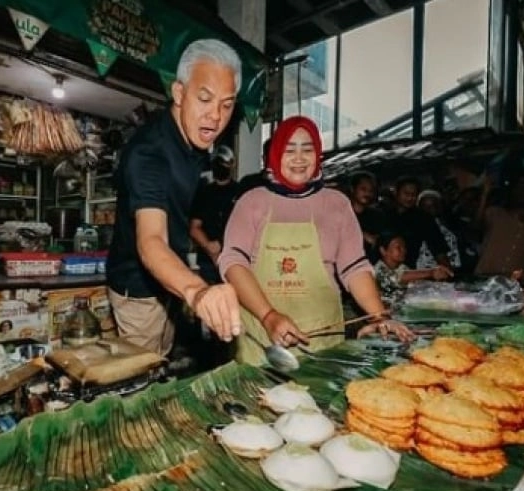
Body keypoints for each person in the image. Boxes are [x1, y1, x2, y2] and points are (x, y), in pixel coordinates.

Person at [217, 115, 415, 365]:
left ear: (318, 155)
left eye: (307, 149)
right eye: (289, 149)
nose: (299, 158)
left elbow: (354, 267)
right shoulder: (252, 202)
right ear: (275, 153)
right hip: (263, 339)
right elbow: (233, 263)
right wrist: (268, 316)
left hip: (322, 339)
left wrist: (379, 316)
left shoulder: (336, 204)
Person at [105, 38, 244, 357]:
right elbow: (151, 240)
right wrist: (197, 292)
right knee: (138, 388)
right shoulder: (149, 152)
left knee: (161, 365)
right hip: (138, 289)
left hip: (171, 279)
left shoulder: (195, 142)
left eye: (227, 104)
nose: (215, 117)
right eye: (205, 99)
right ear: (179, 93)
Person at [189, 144, 240, 283]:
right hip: (207, 263)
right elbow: (194, 227)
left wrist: (221, 244)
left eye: (224, 163)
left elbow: (243, 226)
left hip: (234, 259)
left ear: (232, 165)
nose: (221, 166)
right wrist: (210, 248)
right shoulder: (203, 192)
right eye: (218, 162)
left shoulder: (240, 192)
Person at [385, 177, 453, 270]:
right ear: (396, 193)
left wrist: (447, 270)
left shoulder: (423, 218)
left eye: (414, 194)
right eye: (406, 193)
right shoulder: (382, 214)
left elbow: (438, 248)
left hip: (408, 270)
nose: (410, 197)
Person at [374, 231, 453, 309]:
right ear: (383, 250)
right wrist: (431, 272)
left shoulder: (401, 267)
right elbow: (397, 278)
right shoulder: (378, 270)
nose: (404, 250)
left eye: (404, 247)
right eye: (398, 247)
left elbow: (413, 282)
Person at [415, 189, 461, 272]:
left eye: (433, 206)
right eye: (425, 206)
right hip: (423, 272)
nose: (428, 210)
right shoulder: (414, 226)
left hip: (448, 270)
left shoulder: (451, 225)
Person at [348, 171, 388, 264]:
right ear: (352, 189)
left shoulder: (378, 216)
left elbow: (384, 240)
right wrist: (361, 234)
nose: (367, 193)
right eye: (363, 189)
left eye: (371, 190)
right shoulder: (340, 213)